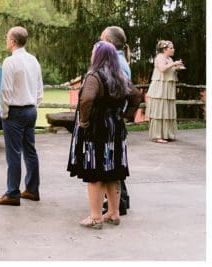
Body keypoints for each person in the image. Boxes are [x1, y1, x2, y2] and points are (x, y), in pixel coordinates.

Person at [68, 41, 142, 229]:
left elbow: (87, 99)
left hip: (97, 130)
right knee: (113, 172)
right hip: (115, 130)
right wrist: (126, 116)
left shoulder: (95, 75)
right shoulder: (119, 75)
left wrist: (84, 121)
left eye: (94, 52)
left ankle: (95, 217)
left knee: (95, 173)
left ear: (98, 56)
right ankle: (114, 213)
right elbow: (135, 96)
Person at [0, 26, 43, 207]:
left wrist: (4, 113)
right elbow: (39, 88)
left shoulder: (10, 62)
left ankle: (12, 192)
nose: (6, 40)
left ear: (13, 41)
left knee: (13, 153)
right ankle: (32, 189)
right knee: (30, 151)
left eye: (7, 37)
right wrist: (35, 105)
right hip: (31, 109)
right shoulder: (33, 60)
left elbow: (6, 90)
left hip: (15, 111)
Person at [100, 26, 132, 216]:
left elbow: (120, 93)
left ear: (110, 43)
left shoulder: (117, 63)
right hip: (115, 116)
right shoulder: (119, 61)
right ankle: (121, 201)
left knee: (111, 162)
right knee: (114, 161)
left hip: (112, 117)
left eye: (102, 39)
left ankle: (118, 202)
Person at [147, 40, 183, 144]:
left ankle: (167, 134)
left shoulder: (170, 59)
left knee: (167, 110)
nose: (173, 49)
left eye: (173, 48)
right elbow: (162, 69)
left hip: (167, 88)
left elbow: (169, 70)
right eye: (171, 48)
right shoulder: (159, 58)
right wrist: (174, 64)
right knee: (159, 110)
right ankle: (157, 136)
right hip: (160, 88)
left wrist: (177, 67)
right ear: (165, 49)